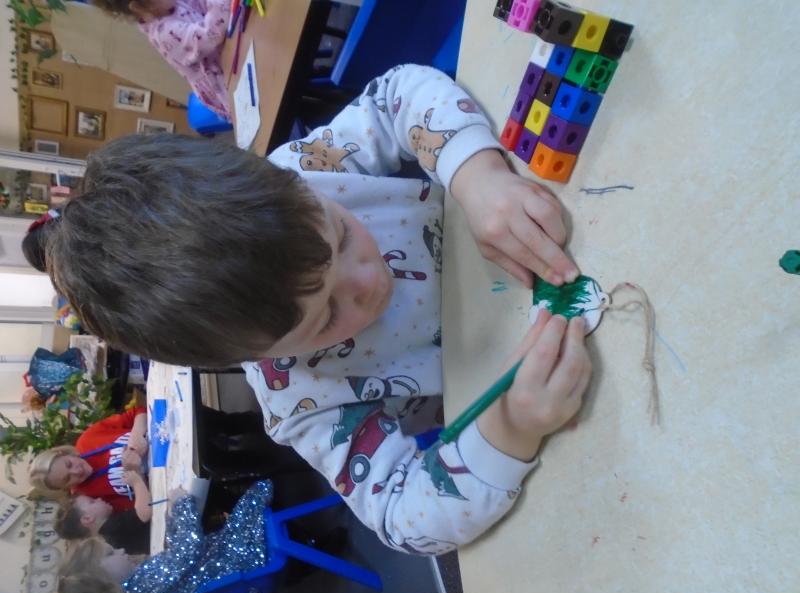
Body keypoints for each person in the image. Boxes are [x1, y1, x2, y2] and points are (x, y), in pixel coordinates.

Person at [45, 64, 592, 554]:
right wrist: (511, 425)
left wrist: (476, 175)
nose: (368, 280)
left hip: (565, 225)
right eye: (327, 315)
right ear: (255, 356)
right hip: (550, 378)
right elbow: (403, 519)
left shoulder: (303, 172)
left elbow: (398, 94)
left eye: (343, 234)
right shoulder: (299, 399)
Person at [56, 481, 274, 593]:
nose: (121, 550)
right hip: (243, 567)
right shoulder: (143, 583)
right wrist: (182, 505)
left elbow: (176, 555)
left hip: (228, 575)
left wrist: (172, 520)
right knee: (258, 490)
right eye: (111, 554)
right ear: (104, 581)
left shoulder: (136, 586)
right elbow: (189, 548)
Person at [90, 0, 230, 119]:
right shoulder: (163, 33)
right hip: (223, 84)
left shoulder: (168, 4)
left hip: (226, 53)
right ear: (140, 7)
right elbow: (209, 35)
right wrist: (221, 4)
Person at [29, 406, 152, 517]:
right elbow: (145, 507)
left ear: (64, 454)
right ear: (65, 488)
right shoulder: (87, 497)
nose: (77, 471)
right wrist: (137, 475)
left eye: (69, 464)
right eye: (68, 479)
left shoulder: (87, 440)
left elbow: (139, 411)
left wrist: (137, 434)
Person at [55, 494, 151, 555]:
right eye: (92, 502)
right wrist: (136, 482)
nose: (99, 499)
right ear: (87, 518)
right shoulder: (112, 528)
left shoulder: (109, 536)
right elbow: (145, 512)